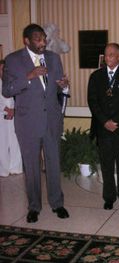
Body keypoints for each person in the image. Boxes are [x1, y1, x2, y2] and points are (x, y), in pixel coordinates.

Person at [2, 23, 70, 223]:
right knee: (31, 166)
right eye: (38, 39)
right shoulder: (13, 60)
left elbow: (57, 88)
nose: (43, 42)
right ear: (27, 41)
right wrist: (29, 76)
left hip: (51, 120)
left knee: (53, 163)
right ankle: (34, 207)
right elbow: (7, 90)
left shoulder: (53, 58)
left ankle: (57, 203)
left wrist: (63, 85)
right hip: (28, 123)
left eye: (43, 39)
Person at [88, 43, 119, 210]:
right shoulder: (95, 76)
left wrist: (117, 121)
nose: (108, 57)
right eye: (106, 55)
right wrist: (104, 121)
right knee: (107, 164)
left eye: (111, 54)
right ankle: (109, 197)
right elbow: (92, 101)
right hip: (103, 128)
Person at [0, 60, 23, 177]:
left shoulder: (14, 82)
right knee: (2, 144)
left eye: (5, 69)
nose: (3, 71)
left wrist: (14, 110)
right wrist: (5, 109)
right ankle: (3, 169)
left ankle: (16, 167)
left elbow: (20, 98)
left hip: (15, 116)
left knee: (16, 143)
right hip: (1, 117)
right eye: (1, 69)